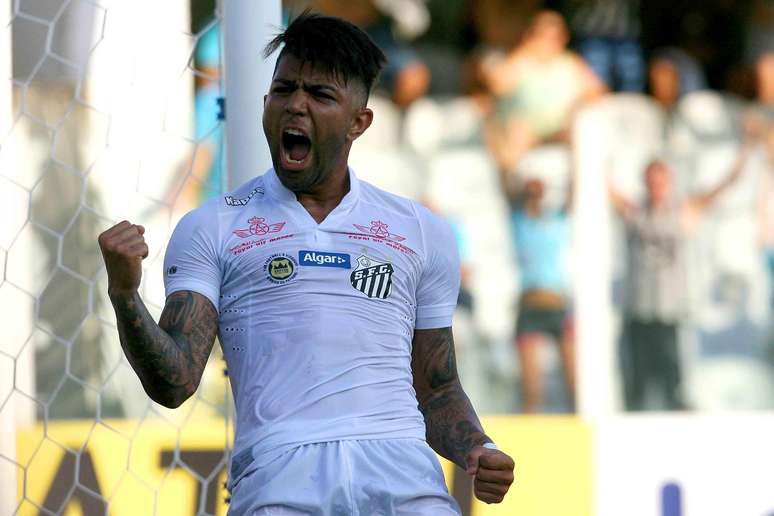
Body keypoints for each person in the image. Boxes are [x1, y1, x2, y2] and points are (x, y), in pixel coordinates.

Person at [97, 12, 514, 514]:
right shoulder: (213, 227)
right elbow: (175, 382)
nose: (296, 105)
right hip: (279, 480)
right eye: (284, 89)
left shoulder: (419, 231)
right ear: (265, 103)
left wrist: (478, 448)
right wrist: (124, 294)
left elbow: (438, 387)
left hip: (403, 477)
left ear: (359, 122)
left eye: (320, 95)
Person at [609, 141, 755, 411]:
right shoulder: (635, 212)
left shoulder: (683, 211)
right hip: (639, 312)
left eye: (661, 182)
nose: (657, 188)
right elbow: (605, 190)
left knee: (672, 380)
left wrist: (744, 154)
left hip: (670, 313)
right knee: (637, 384)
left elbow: (722, 188)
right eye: (652, 181)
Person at [481, 10, 606, 180]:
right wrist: (525, 50)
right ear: (530, 35)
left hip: (558, 129)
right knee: (517, 131)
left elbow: (598, 92)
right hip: (523, 130)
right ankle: (512, 193)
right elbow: (497, 85)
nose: (547, 41)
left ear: (563, 38)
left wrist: (577, 106)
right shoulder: (522, 60)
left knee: (587, 131)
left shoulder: (570, 63)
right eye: (541, 35)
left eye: (553, 36)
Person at [509, 172, 575, 413]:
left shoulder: (556, 219)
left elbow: (574, 186)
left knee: (574, 378)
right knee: (531, 387)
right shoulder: (518, 220)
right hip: (529, 304)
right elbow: (506, 179)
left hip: (556, 303)